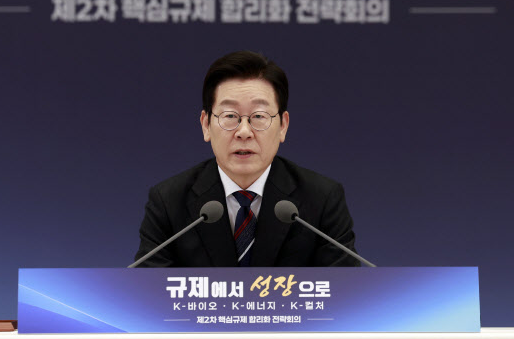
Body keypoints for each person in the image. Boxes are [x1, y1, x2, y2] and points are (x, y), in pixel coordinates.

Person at [134, 50, 360, 267]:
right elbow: (148, 287)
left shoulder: (322, 200)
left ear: (283, 126)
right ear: (206, 125)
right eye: (230, 116)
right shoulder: (168, 202)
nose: (244, 132)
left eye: (259, 116)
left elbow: (345, 287)